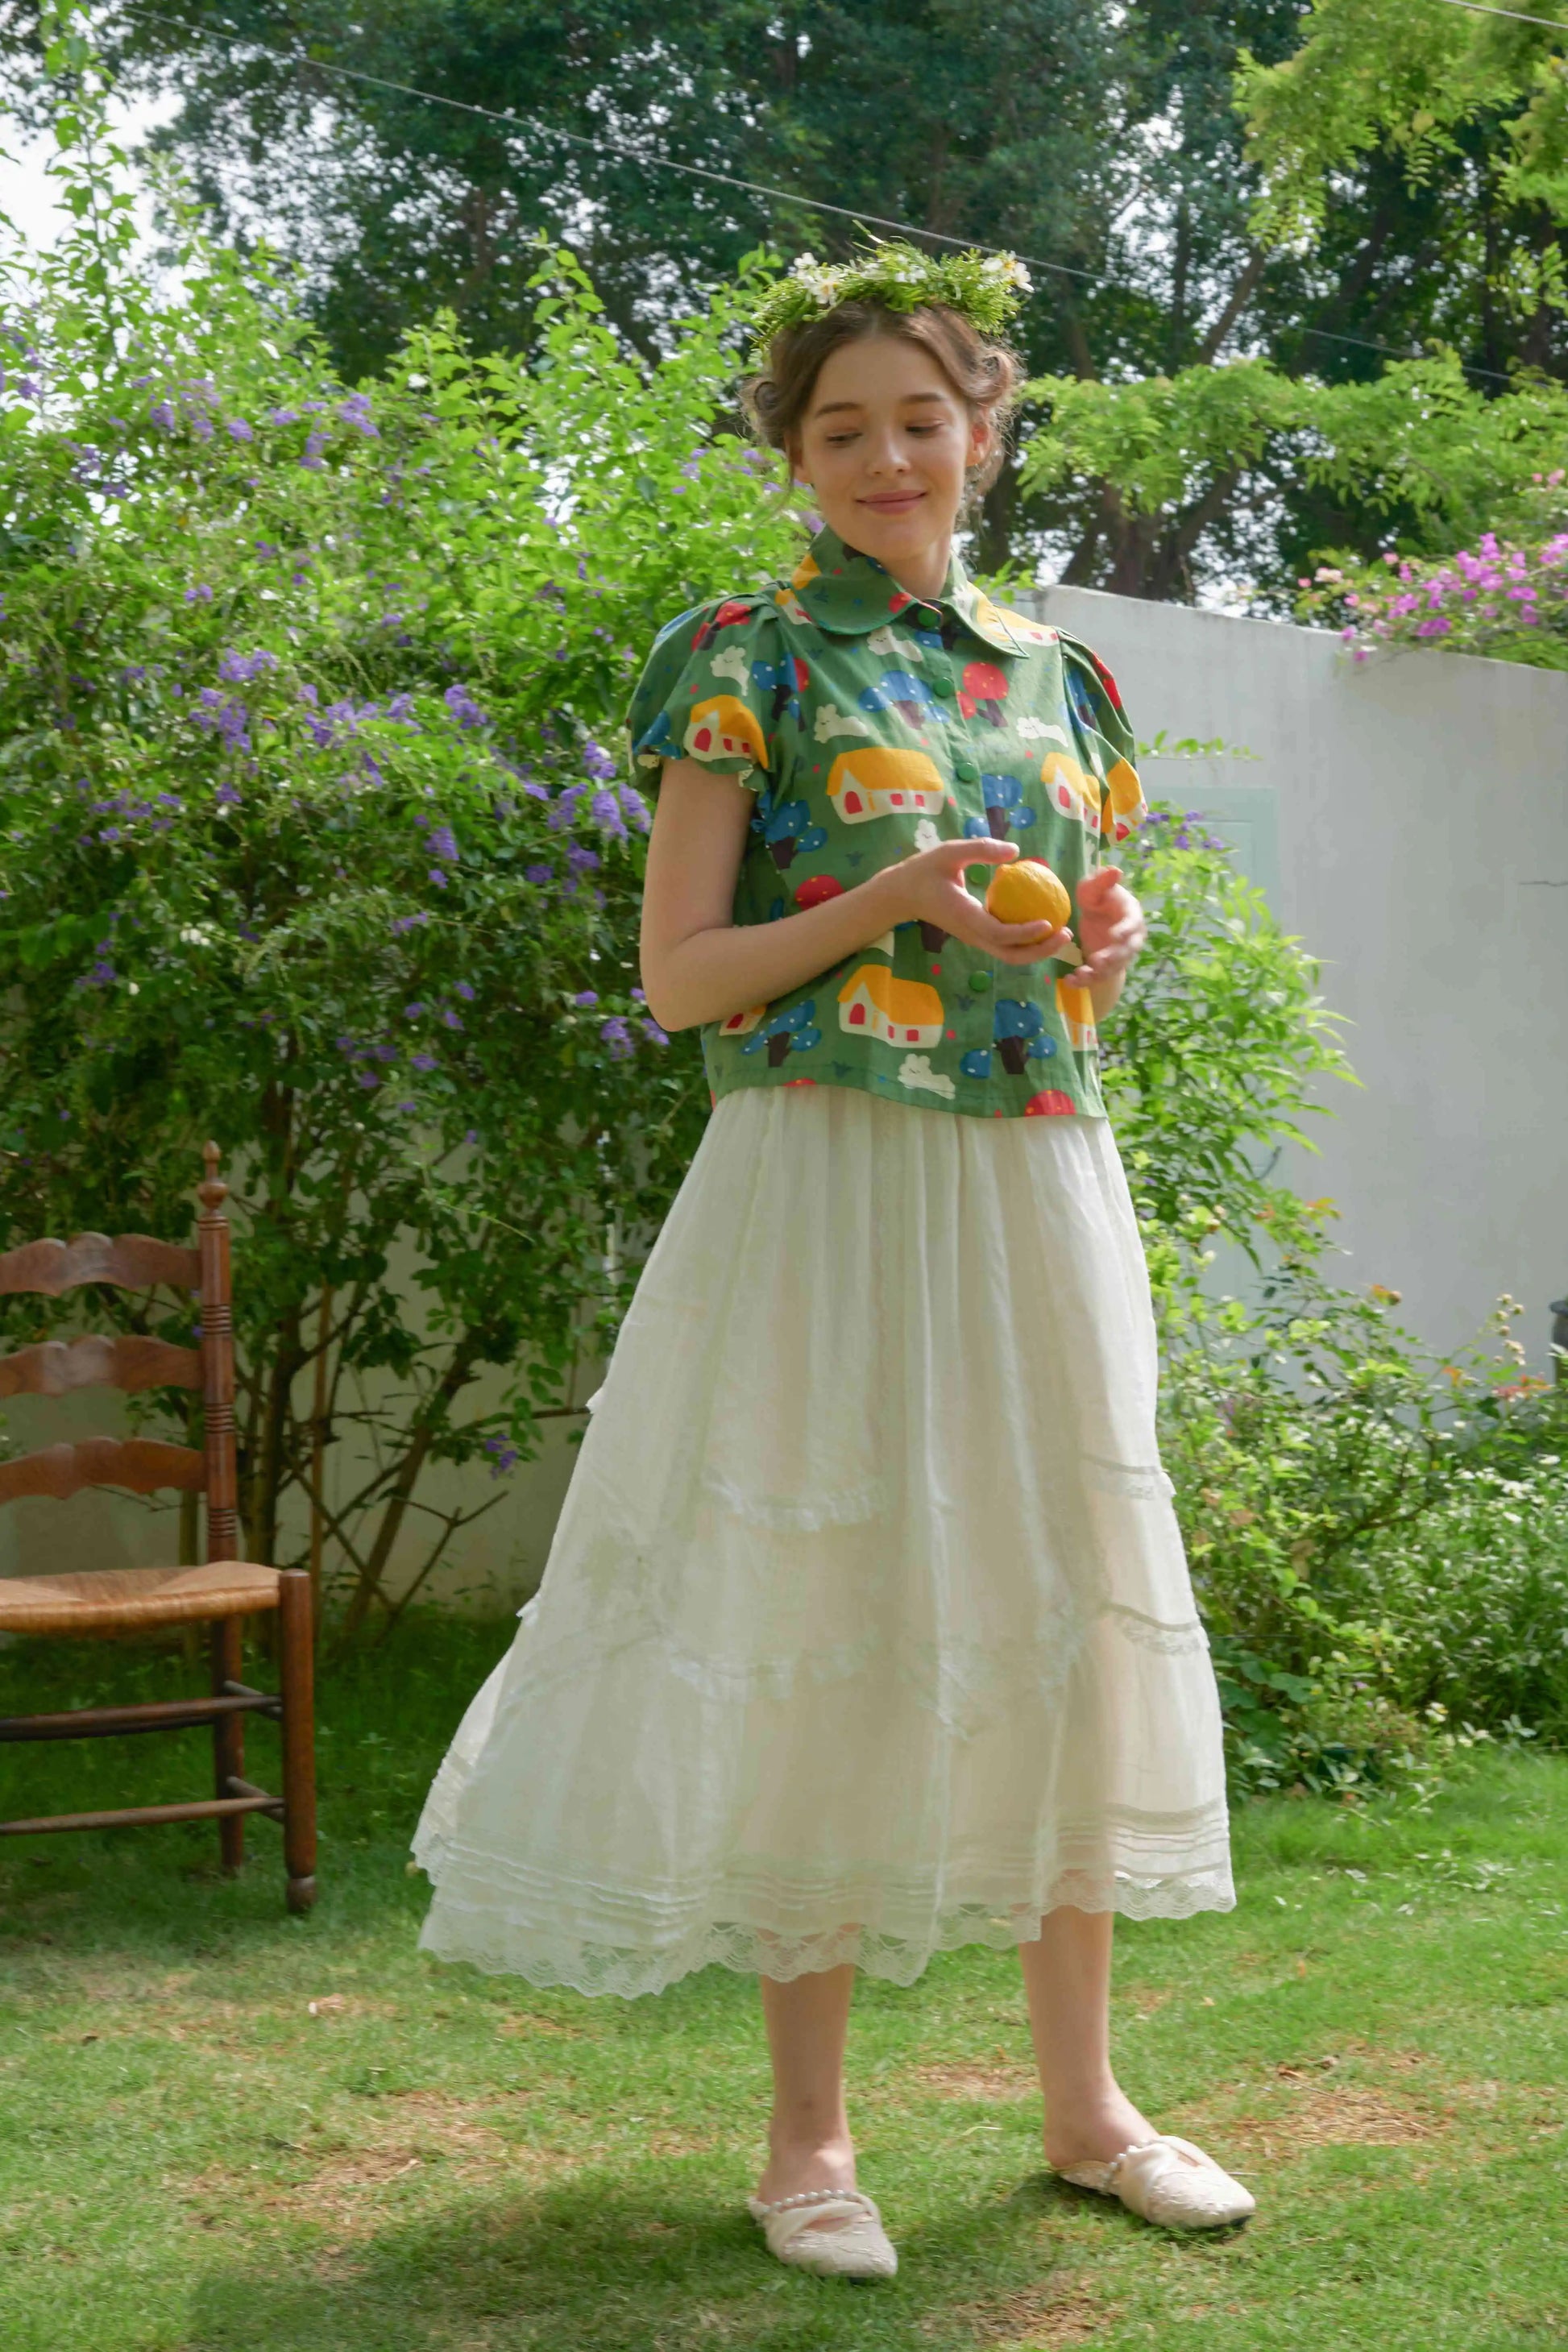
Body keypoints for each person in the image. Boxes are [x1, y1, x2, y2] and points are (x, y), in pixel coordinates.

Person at [413, 243, 1252, 2279]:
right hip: (822, 1175)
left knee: (1060, 1597)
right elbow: (683, 979)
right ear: (793, 454)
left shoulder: (1063, 679)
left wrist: (1101, 951)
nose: (886, 455)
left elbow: (1062, 990)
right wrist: (887, 898)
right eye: (840, 426)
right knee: (826, 1595)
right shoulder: (745, 657)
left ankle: (1089, 2110)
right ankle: (810, 2142)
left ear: (984, 433)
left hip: (1029, 1175)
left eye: (920, 419)